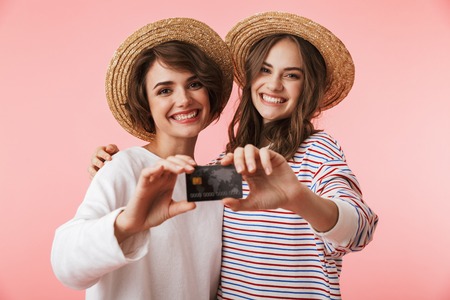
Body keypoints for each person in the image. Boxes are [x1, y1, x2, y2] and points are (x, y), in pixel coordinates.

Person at [90, 12, 378, 300]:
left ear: (309, 87)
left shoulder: (317, 150)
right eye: (265, 70)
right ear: (251, 78)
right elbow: (172, 195)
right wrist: (114, 170)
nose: (274, 84)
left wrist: (297, 198)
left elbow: (359, 229)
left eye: (291, 75)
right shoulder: (226, 166)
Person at [51, 17, 234, 300]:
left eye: (194, 84)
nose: (184, 99)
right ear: (146, 104)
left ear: (209, 92)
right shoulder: (123, 167)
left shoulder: (215, 180)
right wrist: (127, 225)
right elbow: (66, 268)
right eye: (164, 90)